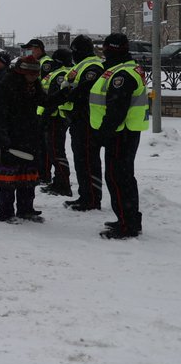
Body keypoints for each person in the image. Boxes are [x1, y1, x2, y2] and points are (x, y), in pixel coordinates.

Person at [90, 33, 146, 239]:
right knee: (124, 178)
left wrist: (103, 134)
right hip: (124, 133)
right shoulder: (121, 69)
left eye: (105, 47)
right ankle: (129, 219)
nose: (102, 50)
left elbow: (116, 110)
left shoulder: (122, 74)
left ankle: (126, 224)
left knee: (117, 178)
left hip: (120, 134)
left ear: (110, 48)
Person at [0, 55, 47, 222]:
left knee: (27, 173)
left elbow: (45, 101)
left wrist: (65, 93)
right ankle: (6, 212)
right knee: (9, 175)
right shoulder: (5, 86)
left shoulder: (34, 86)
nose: (34, 78)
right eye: (31, 75)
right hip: (10, 136)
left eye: (36, 75)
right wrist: (3, 138)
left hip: (29, 135)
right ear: (21, 73)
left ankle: (26, 209)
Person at [62, 35, 105, 212]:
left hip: (87, 119)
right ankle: (84, 195)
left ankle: (92, 198)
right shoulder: (81, 65)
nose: (72, 54)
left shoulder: (93, 66)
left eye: (74, 51)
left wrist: (69, 92)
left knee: (88, 160)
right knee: (81, 160)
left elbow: (84, 90)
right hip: (78, 119)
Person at [38, 47, 74, 196]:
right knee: (52, 151)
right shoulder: (58, 73)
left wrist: (45, 116)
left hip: (55, 117)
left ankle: (63, 184)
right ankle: (57, 181)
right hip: (51, 116)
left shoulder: (61, 74)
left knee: (56, 151)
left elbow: (54, 98)